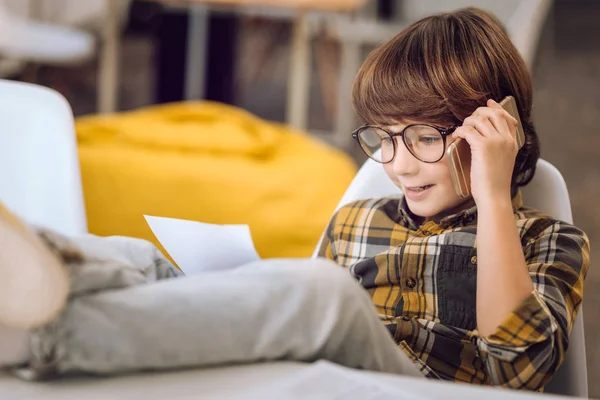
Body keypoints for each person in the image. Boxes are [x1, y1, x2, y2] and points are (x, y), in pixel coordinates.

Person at [0, 7, 589, 392]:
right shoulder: (360, 219)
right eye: (383, 138)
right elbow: (290, 320)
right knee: (148, 261)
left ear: (497, 130)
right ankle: (39, 279)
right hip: (327, 379)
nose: (397, 163)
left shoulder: (548, 240)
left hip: (420, 387)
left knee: (324, 294)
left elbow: (519, 366)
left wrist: (490, 192)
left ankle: (46, 336)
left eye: (427, 138)